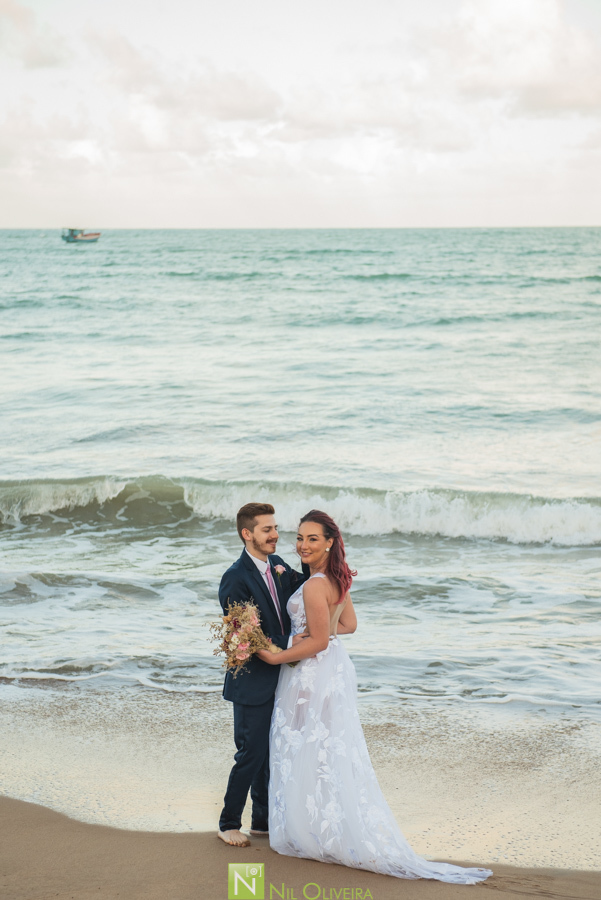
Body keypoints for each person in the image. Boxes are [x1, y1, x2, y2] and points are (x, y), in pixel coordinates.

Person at [256, 509, 492, 884]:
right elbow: (348, 625)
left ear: (329, 542)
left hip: (311, 673)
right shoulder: (336, 579)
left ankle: (310, 830)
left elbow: (318, 642)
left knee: (304, 749)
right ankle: (326, 828)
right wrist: (320, 632)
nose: (302, 545)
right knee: (326, 750)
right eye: (299, 538)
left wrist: (276, 654)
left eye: (312, 538)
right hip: (334, 669)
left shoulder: (315, 585)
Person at [217, 502, 306, 847]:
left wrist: (328, 566)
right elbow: (246, 635)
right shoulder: (235, 578)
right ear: (247, 534)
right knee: (251, 754)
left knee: (271, 754)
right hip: (251, 682)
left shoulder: (278, 564)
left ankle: (262, 823)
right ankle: (228, 823)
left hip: (281, 677)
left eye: (275, 528)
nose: (275, 535)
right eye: (267, 529)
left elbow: (305, 588)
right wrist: (292, 641)